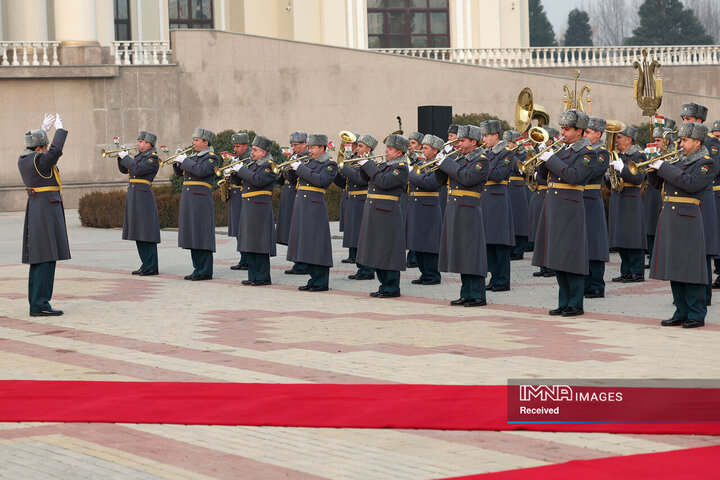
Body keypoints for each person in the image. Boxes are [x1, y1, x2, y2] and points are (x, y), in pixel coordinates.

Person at [650, 122, 716, 328]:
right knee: (675, 266)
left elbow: (691, 183)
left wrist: (666, 168)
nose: (681, 143)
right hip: (670, 216)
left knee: (691, 267)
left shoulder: (706, 163)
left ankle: (696, 314)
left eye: (685, 140)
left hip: (688, 218)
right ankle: (680, 311)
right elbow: (656, 185)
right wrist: (653, 169)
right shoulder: (678, 160)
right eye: (681, 139)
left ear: (697, 142)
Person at [532, 110, 595, 316]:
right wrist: (542, 156)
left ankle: (575, 303)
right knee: (557, 256)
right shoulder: (560, 149)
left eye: (567, 129)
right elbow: (543, 177)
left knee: (571, 256)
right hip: (554, 206)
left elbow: (573, 176)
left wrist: (551, 158)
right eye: (562, 129)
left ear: (579, 131)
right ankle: (564, 301)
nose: (563, 133)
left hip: (570, 207)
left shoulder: (587, 152)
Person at [18, 113, 69, 316]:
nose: (47, 149)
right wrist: (59, 131)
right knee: (47, 258)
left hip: (39, 209)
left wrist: (41, 131)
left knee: (41, 259)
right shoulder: (39, 160)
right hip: (46, 211)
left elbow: (40, 151)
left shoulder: (26, 158)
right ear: (39, 149)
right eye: (44, 146)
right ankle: (40, 305)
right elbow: (54, 152)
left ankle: (37, 303)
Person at [435, 125, 489, 307]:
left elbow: (467, 178)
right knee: (462, 252)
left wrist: (448, 164)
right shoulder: (461, 158)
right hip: (456, 209)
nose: (459, 144)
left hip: (469, 209)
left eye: (462, 141)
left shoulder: (481, 160)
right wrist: (439, 166)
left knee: (472, 252)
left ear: (473, 142)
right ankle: (466, 292)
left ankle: (478, 294)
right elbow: (441, 181)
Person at [356, 134, 409, 298]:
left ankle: (392, 286)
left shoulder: (400, 167)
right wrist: (364, 165)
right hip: (376, 212)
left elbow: (384, 182)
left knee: (388, 251)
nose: (386, 150)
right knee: (378, 250)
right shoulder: (385, 165)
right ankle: (384, 284)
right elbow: (366, 179)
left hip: (388, 213)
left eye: (390, 148)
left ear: (399, 152)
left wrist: (370, 166)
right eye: (387, 147)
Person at [287, 134, 337, 292]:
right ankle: (313, 278)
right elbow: (290, 179)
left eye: (312, 148)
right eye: (309, 147)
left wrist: (300, 168)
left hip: (315, 207)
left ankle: (321, 281)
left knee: (317, 243)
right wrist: (292, 165)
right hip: (302, 205)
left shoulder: (329, 164)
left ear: (322, 148)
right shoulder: (308, 161)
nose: (309, 150)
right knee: (306, 243)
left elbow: (321, 180)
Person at [680, 103, 720, 303]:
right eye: (684, 120)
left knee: (702, 247)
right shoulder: (682, 142)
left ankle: (703, 295)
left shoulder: (710, 143)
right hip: (685, 200)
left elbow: (711, 169)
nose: (685, 122)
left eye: (689, 120)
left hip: (704, 196)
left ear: (700, 121)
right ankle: (687, 296)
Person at [173, 127, 217, 281]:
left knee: (202, 233)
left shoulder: (211, 158)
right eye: (194, 140)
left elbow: (201, 171)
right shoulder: (194, 157)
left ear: (206, 142)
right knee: (192, 233)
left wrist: (185, 160)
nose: (194, 143)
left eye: (197, 140)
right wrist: (177, 162)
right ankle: (197, 268)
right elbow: (180, 173)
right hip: (190, 199)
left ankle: (205, 270)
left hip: (201, 200)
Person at [235, 135, 279, 286]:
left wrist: (240, 170)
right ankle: (253, 275)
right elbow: (239, 181)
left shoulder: (269, 165)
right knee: (250, 243)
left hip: (260, 208)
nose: (251, 152)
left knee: (260, 243)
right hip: (249, 207)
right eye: (252, 150)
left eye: (254, 150)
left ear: (264, 152)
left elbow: (258, 180)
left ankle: (263, 276)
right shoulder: (251, 165)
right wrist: (233, 172)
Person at [117, 131, 161, 276]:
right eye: (138, 141)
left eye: (141, 141)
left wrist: (126, 157)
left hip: (144, 196)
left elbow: (137, 169)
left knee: (147, 232)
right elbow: (125, 169)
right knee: (138, 231)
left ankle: (152, 266)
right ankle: (145, 264)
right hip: (134, 196)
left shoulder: (152, 159)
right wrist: (120, 157)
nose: (138, 144)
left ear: (148, 144)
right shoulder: (139, 157)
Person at [607, 125, 646, 283]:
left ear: (629, 139)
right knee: (622, 237)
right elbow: (611, 182)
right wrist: (608, 174)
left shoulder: (638, 155)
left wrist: (622, 168)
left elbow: (638, 178)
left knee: (633, 237)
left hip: (631, 198)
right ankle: (626, 271)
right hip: (619, 196)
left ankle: (637, 271)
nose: (616, 141)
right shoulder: (618, 156)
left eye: (619, 138)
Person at [481, 120, 515, 292]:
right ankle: (494, 278)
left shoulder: (506, 153)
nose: (484, 139)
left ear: (495, 136)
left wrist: (481, 165)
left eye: (486, 136)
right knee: (489, 242)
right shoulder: (487, 154)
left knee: (500, 243)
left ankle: (503, 280)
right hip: (487, 200)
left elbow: (498, 174)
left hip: (498, 199)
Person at [406, 134, 444, 285]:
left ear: (435, 151)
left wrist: (411, 174)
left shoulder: (439, 165)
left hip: (429, 207)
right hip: (416, 204)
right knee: (418, 243)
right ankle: (424, 273)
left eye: (426, 148)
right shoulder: (422, 163)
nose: (423, 150)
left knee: (429, 243)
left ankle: (433, 275)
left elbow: (430, 183)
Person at [582, 116, 610, 298]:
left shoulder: (601, 152)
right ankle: (585, 283)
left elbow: (592, 172)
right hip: (582, 199)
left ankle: (597, 284)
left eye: (588, 132)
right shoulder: (585, 150)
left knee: (595, 243)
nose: (584, 135)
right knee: (584, 243)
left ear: (598, 134)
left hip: (592, 198)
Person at [342, 134, 376, 281]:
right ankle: (361, 268)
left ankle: (367, 269)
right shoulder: (356, 161)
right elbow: (346, 182)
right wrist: (340, 172)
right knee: (356, 236)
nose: (356, 149)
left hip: (363, 199)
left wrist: (344, 168)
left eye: (360, 146)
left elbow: (360, 179)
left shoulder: (371, 161)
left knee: (364, 236)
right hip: (354, 200)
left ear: (368, 148)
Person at [528, 128, 560, 276]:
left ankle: (551, 266)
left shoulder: (556, 154)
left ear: (551, 141)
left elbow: (551, 176)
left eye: (543, 139)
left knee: (550, 231)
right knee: (541, 232)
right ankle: (543, 266)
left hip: (549, 192)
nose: (540, 142)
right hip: (539, 193)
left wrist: (536, 174)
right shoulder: (540, 153)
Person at [277, 132, 309, 275]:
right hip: (288, 195)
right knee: (291, 230)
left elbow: (295, 178)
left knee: (299, 230)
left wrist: (293, 166)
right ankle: (297, 262)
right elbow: (285, 179)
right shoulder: (294, 157)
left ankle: (302, 263)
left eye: (296, 145)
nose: (293, 148)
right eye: (292, 145)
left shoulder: (307, 158)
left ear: (304, 144)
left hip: (298, 195)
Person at [643, 126, 672, 270]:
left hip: (665, 195)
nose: (656, 143)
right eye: (654, 140)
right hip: (652, 193)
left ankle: (662, 259)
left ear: (666, 141)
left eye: (658, 140)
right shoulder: (654, 153)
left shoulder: (672, 154)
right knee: (650, 227)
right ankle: (653, 257)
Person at [227, 132, 251, 271]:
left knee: (244, 229)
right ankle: (243, 258)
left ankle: (247, 259)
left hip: (244, 195)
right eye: (234, 146)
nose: (235, 149)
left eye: (237, 146)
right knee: (237, 229)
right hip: (235, 196)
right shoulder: (236, 158)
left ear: (245, 146)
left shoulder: (249, 158)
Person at [504, 129, 529, 260]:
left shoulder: (523, 154)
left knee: (519, 218)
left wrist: (512, 156)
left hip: (518, 188)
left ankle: (519, 249)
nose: (507, 145)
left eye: (509, 143)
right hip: (508, 187)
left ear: (516, 143)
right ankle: (511, 248)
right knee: (511, 219)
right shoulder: (507, 154)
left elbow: (523, 169)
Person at [404, 131, 425, 268]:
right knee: (410, 227)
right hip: (409, 195)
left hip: (420, 198)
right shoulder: (407, 157)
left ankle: (414, 257)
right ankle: (411, 256)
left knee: (418, 228)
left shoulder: (421, 158)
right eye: (409, 143)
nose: (410, 146)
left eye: (413, 143)